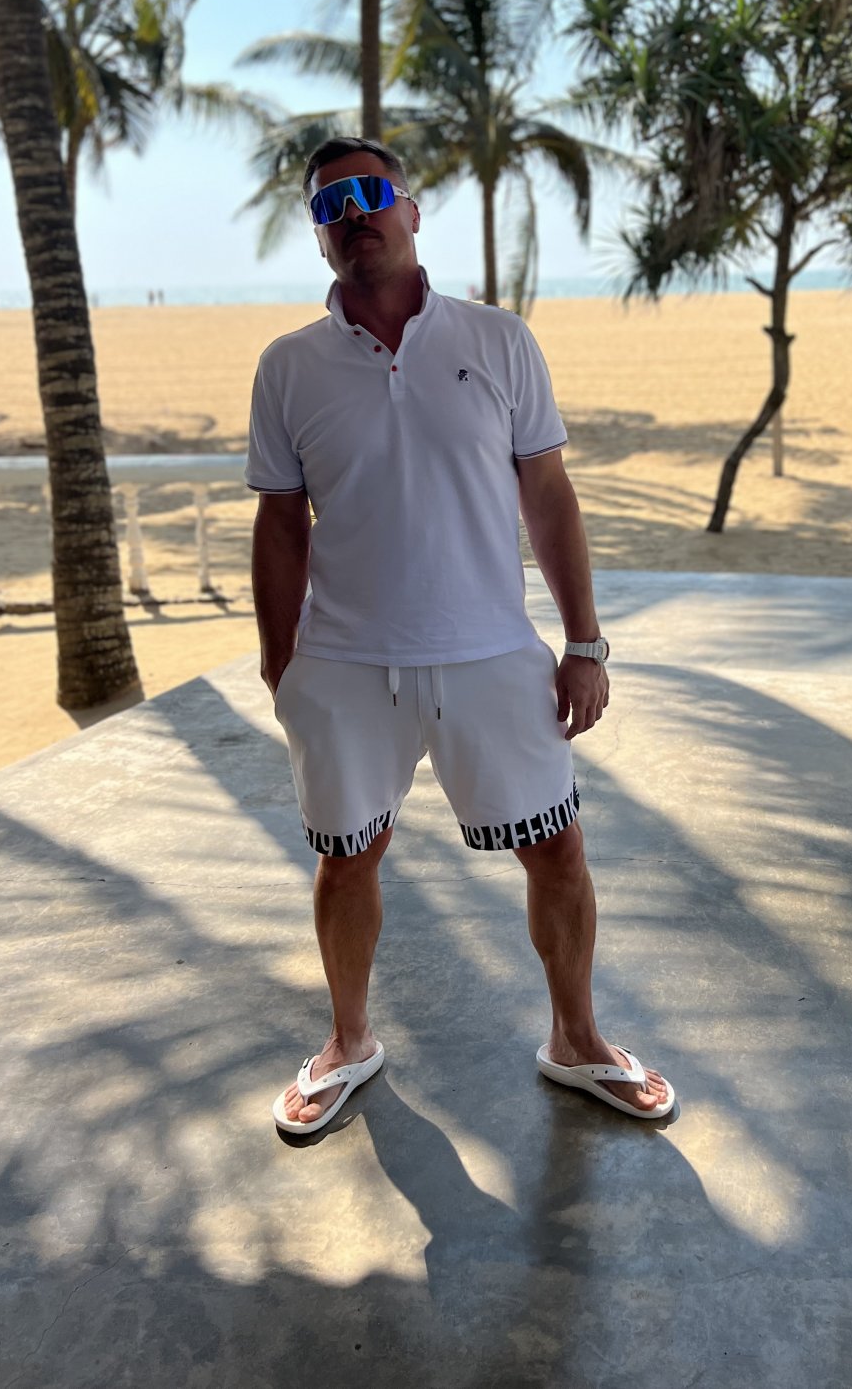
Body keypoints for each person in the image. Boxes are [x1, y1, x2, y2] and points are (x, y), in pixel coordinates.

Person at [247, 135, 674, 1135]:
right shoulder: (289, 366)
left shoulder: (499, 339)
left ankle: (576, 1039)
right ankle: (347, 1042)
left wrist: (585, 643)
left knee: (557, 850)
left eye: (369, 192)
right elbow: (279, 520)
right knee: (349, 855)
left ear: (410, 207)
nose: (353, 214)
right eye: (329, 204)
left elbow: (549, 495)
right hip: (345, 662)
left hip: (490, 651)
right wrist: (280, 662)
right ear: (318, 233)